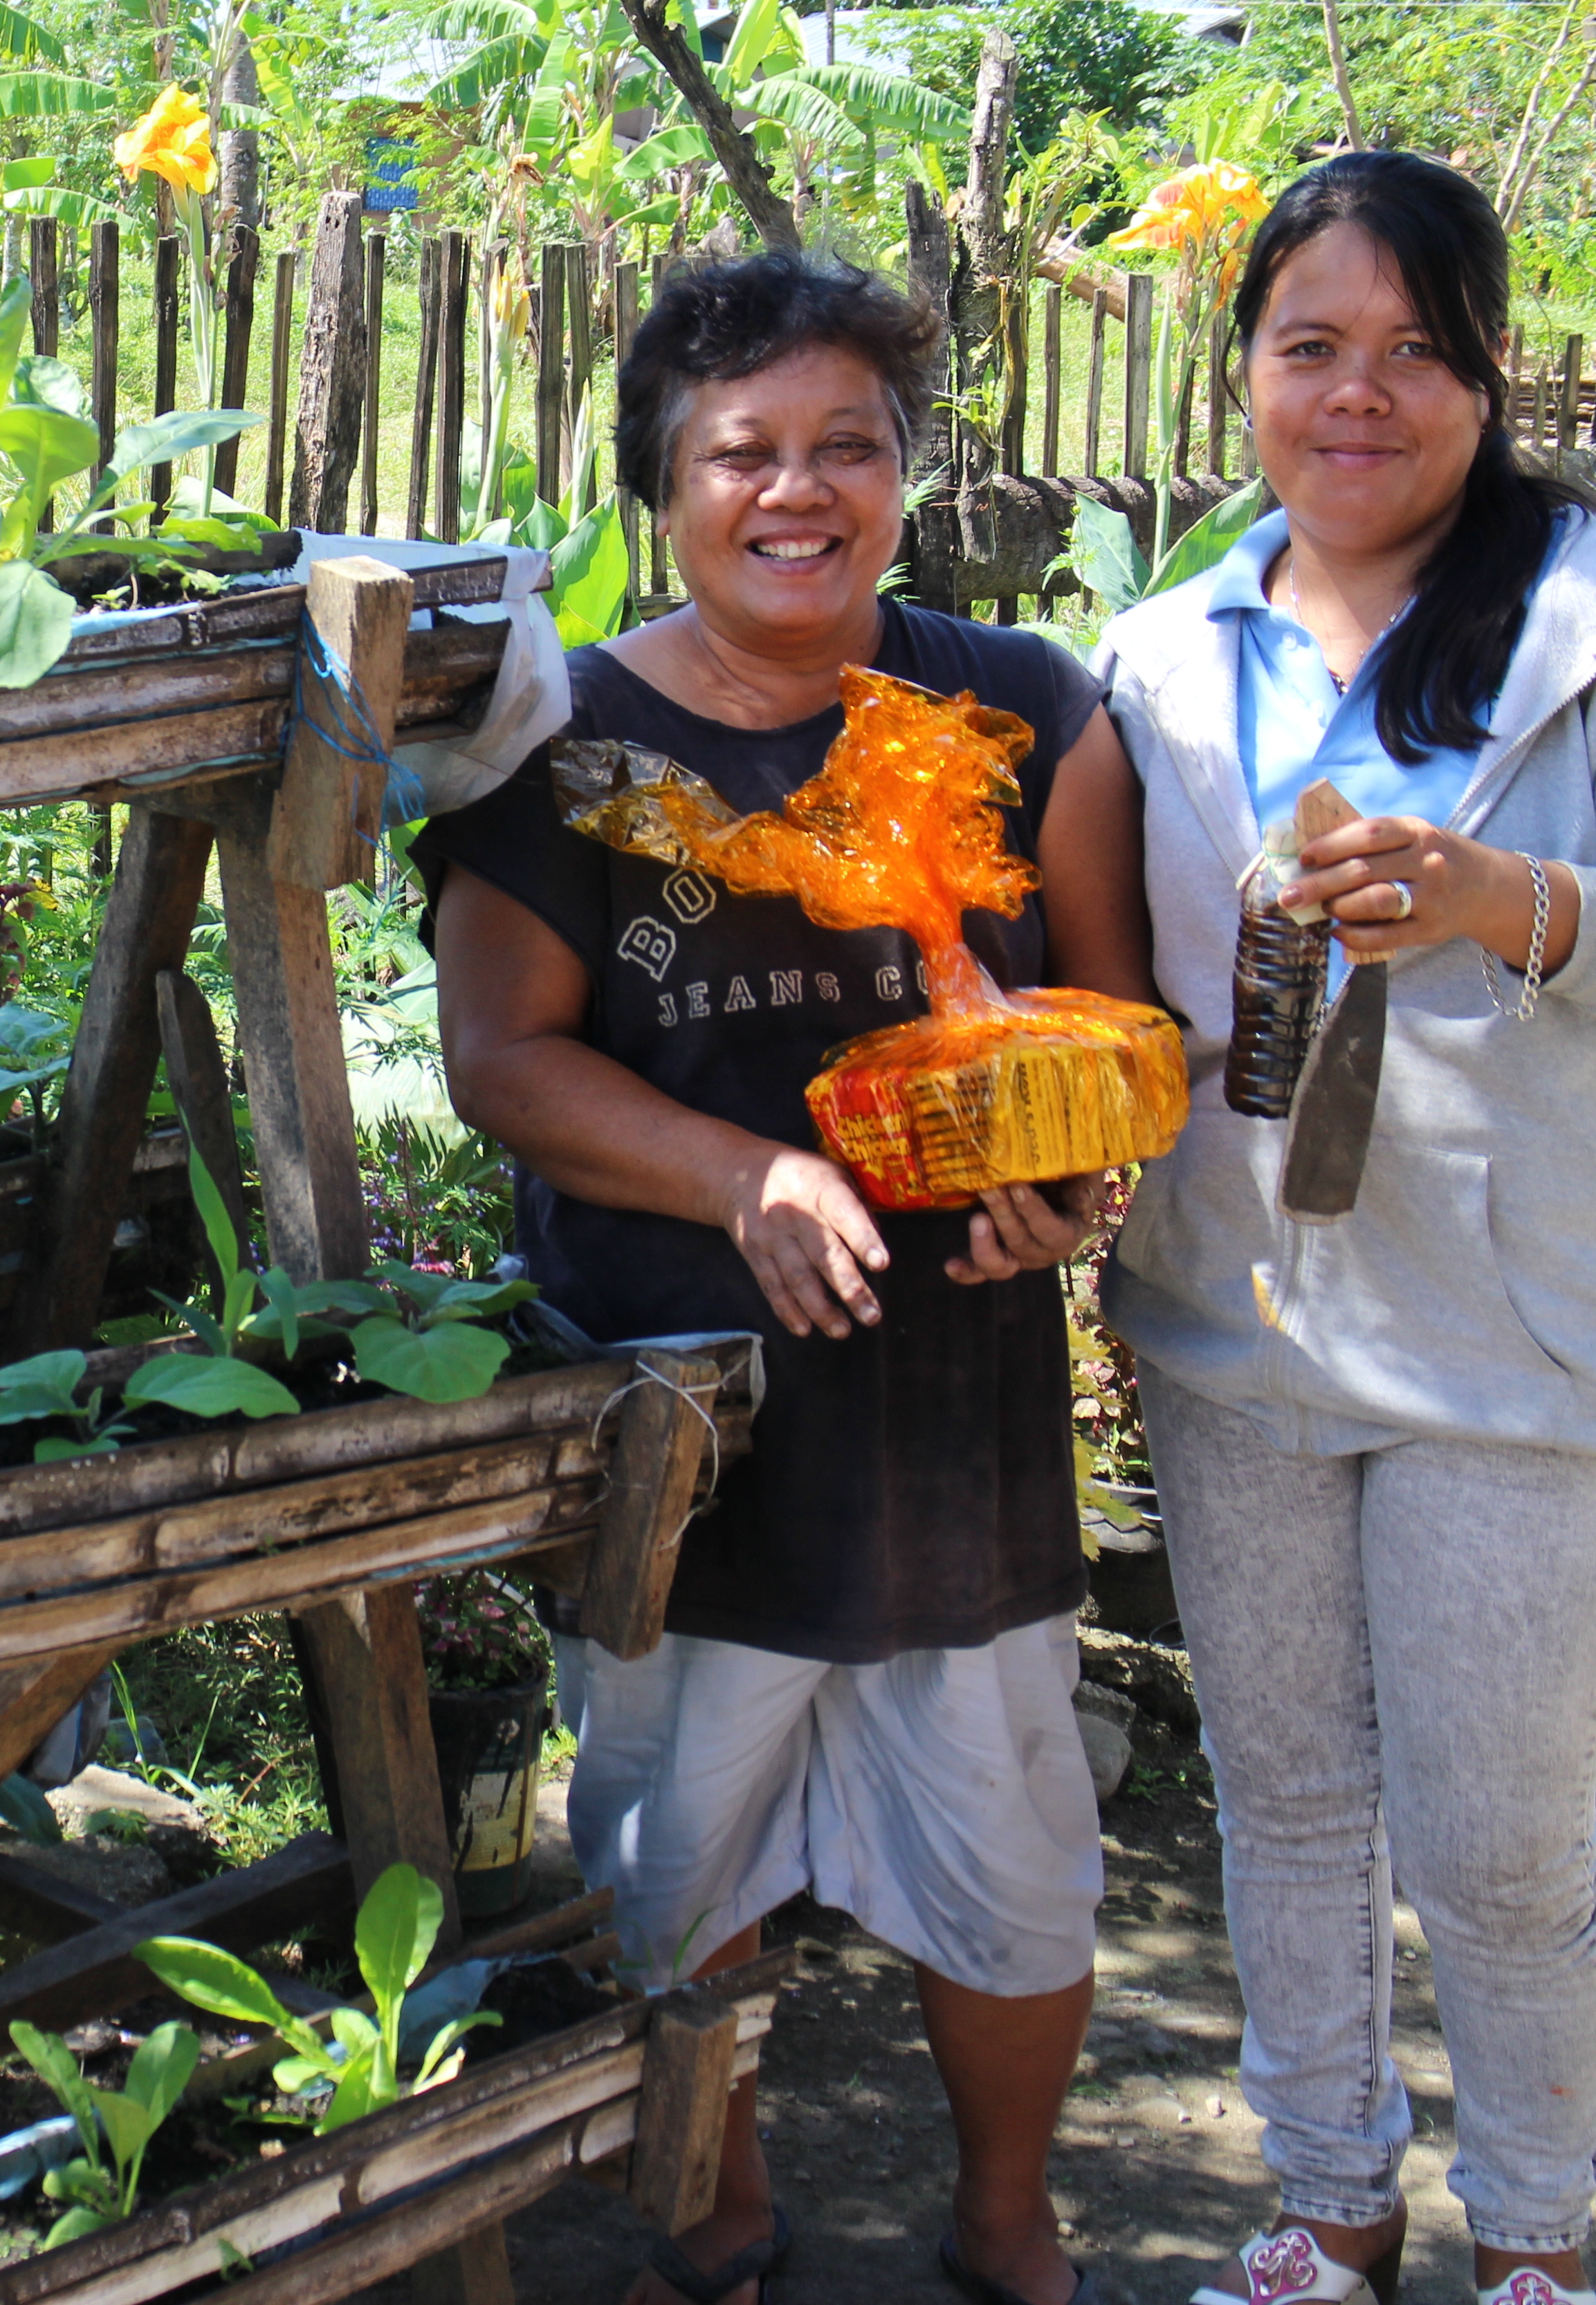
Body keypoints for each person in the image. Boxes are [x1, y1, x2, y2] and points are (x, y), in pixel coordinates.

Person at [421, 253, 1155, 2305]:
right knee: (682, 1852)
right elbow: (505, 1062)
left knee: (1013, 1868)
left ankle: (1007, 2222)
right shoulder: (559, 740)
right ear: (666, 484)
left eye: (850, 446)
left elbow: (1113, 1022)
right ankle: (725, 2204)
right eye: (744, 452)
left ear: (910, 474)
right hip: (680, 1410)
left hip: (952, 1407)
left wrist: (1066, 1185)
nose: (799, 490)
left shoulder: (1021, 709)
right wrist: (745, 1173)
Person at [1095, 151, 1596, 2305]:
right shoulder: (1166, 649)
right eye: (1311, 346)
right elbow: (1120, 977)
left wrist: (1501, 902)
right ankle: (1325, 2206)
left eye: (1417, 351)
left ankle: (1535, 2238)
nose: (1362, 394)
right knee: (1288, 1799)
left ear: (1492, 374)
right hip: (1238, 1314)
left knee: (1501, 1844)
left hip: (1527, 1343)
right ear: (1242, 365)